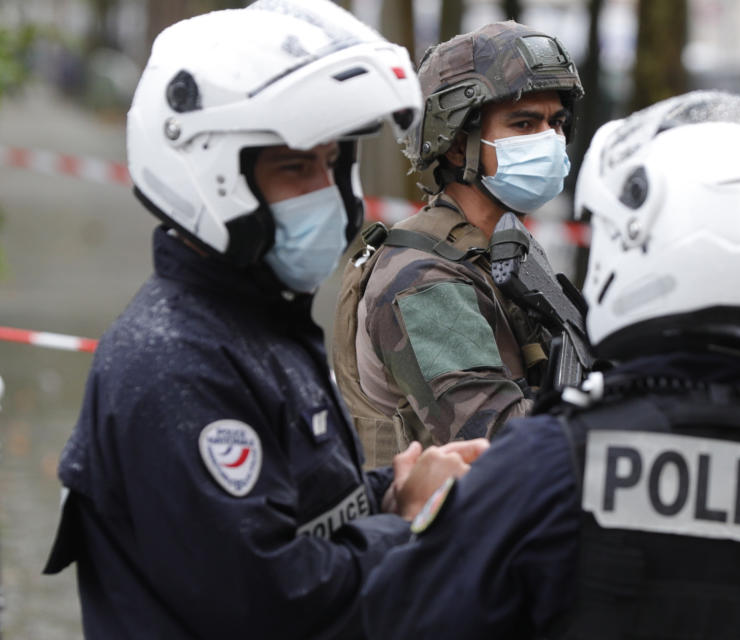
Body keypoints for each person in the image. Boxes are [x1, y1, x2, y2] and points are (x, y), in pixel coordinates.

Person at [361, 91, 740, 640]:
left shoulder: (545, 469)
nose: (548, 138)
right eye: (526, 122)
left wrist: (400, 513)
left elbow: (401, 617)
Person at [43, 3, 487, 639]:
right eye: (293, 167)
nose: (326, 193)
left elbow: (295, 507)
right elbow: (271, 599)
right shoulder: (176, 365)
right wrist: (408, 524)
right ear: (210, 176)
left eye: (330, 163)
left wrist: (391, 488)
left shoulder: (259, 325)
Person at [333, 21, 585, 467]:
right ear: (455, 145)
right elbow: (501, 444)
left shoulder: (502, 247)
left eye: (557, 122)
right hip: (440, 528)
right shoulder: (422, 275)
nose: (550, 140)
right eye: (524, 123)